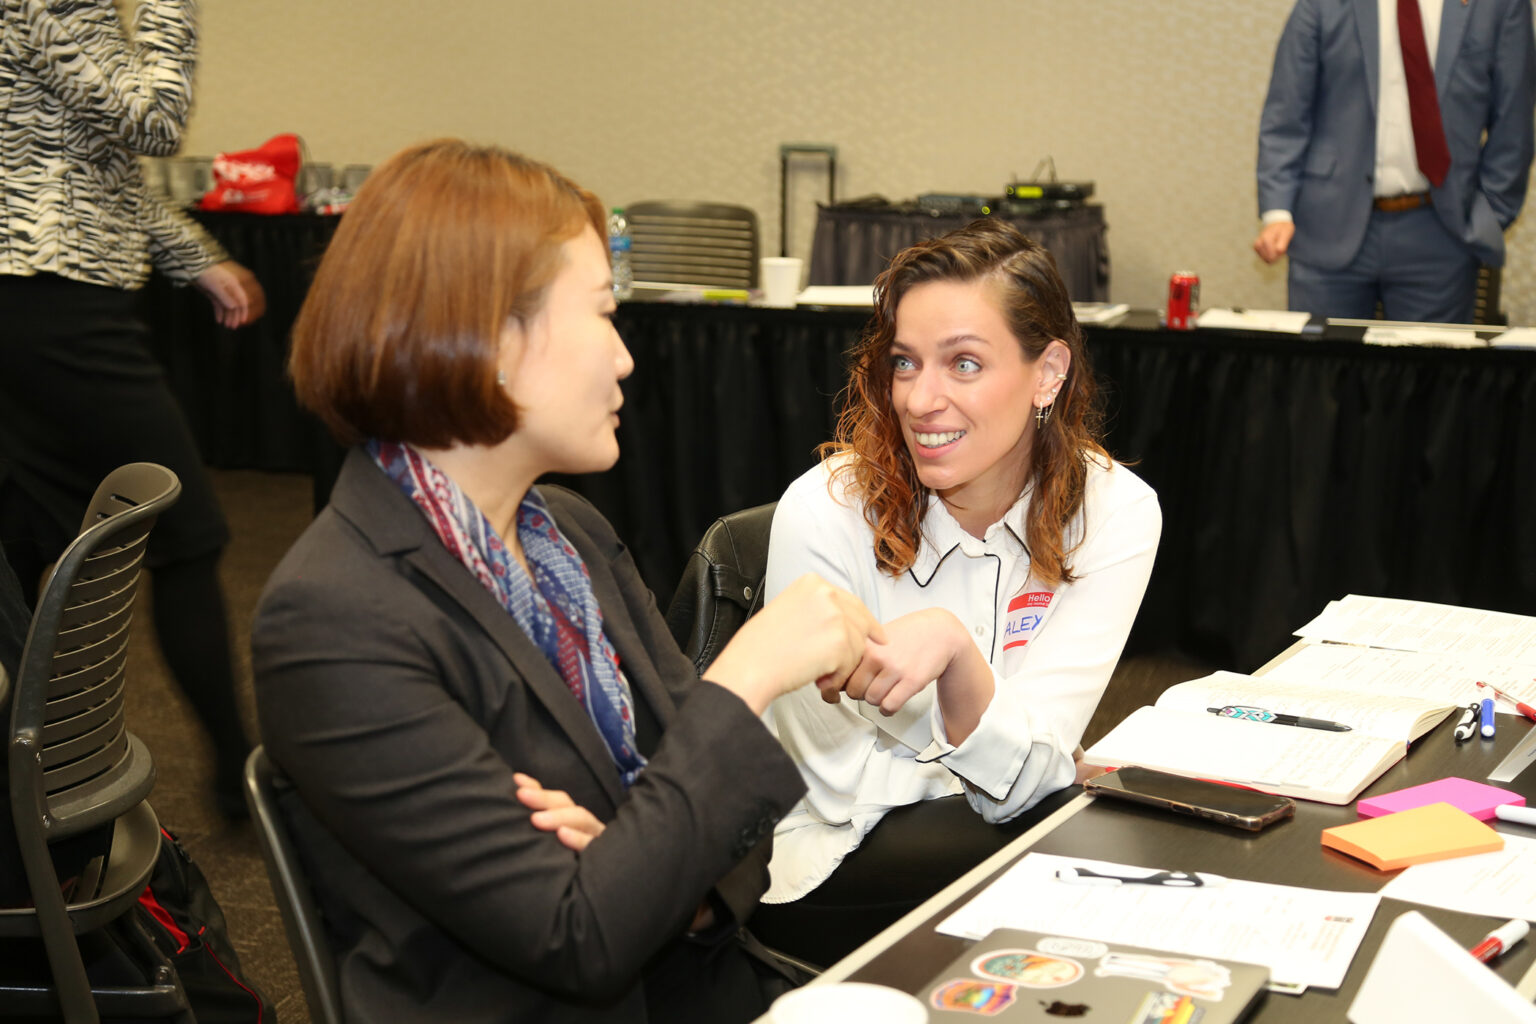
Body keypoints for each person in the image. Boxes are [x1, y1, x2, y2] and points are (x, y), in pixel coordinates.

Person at [251, 139, 882, 1024]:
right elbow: (580, 938)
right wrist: (746, 677)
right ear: (490, 338)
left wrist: (648, 870)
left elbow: (729, 837)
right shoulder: (336, 619)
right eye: (602, 314)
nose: (625, 358)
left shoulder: (566, 538)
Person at [751, 219, 1162, 967]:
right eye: (905, 363)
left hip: (1000, 826)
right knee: (1100, 864)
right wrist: (994, 718)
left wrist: (965, 678)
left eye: (964, 364)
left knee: (1128, 852)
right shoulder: (823, 511)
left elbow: (1031, 777)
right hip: (828, 856)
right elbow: (838, 783)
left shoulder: (1116, 511)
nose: (920, 399)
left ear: (1048, 373)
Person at [0, 0, 265, 815]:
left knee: (24, 535)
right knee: (183, 531)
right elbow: (154, 121)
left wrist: (195, 258)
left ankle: (29, 786)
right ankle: (242, 778)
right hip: (55, 304)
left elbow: (96, 161)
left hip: (31, 301)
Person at [1253, 0, 1536, 323]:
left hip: (1441, 233)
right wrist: (1277, 212)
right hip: (1328, 225)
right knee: (1320, 370)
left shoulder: (1499, 5)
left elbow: (1513, 123)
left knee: (1429, 372)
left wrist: (1489, 215)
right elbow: (1285, 115)